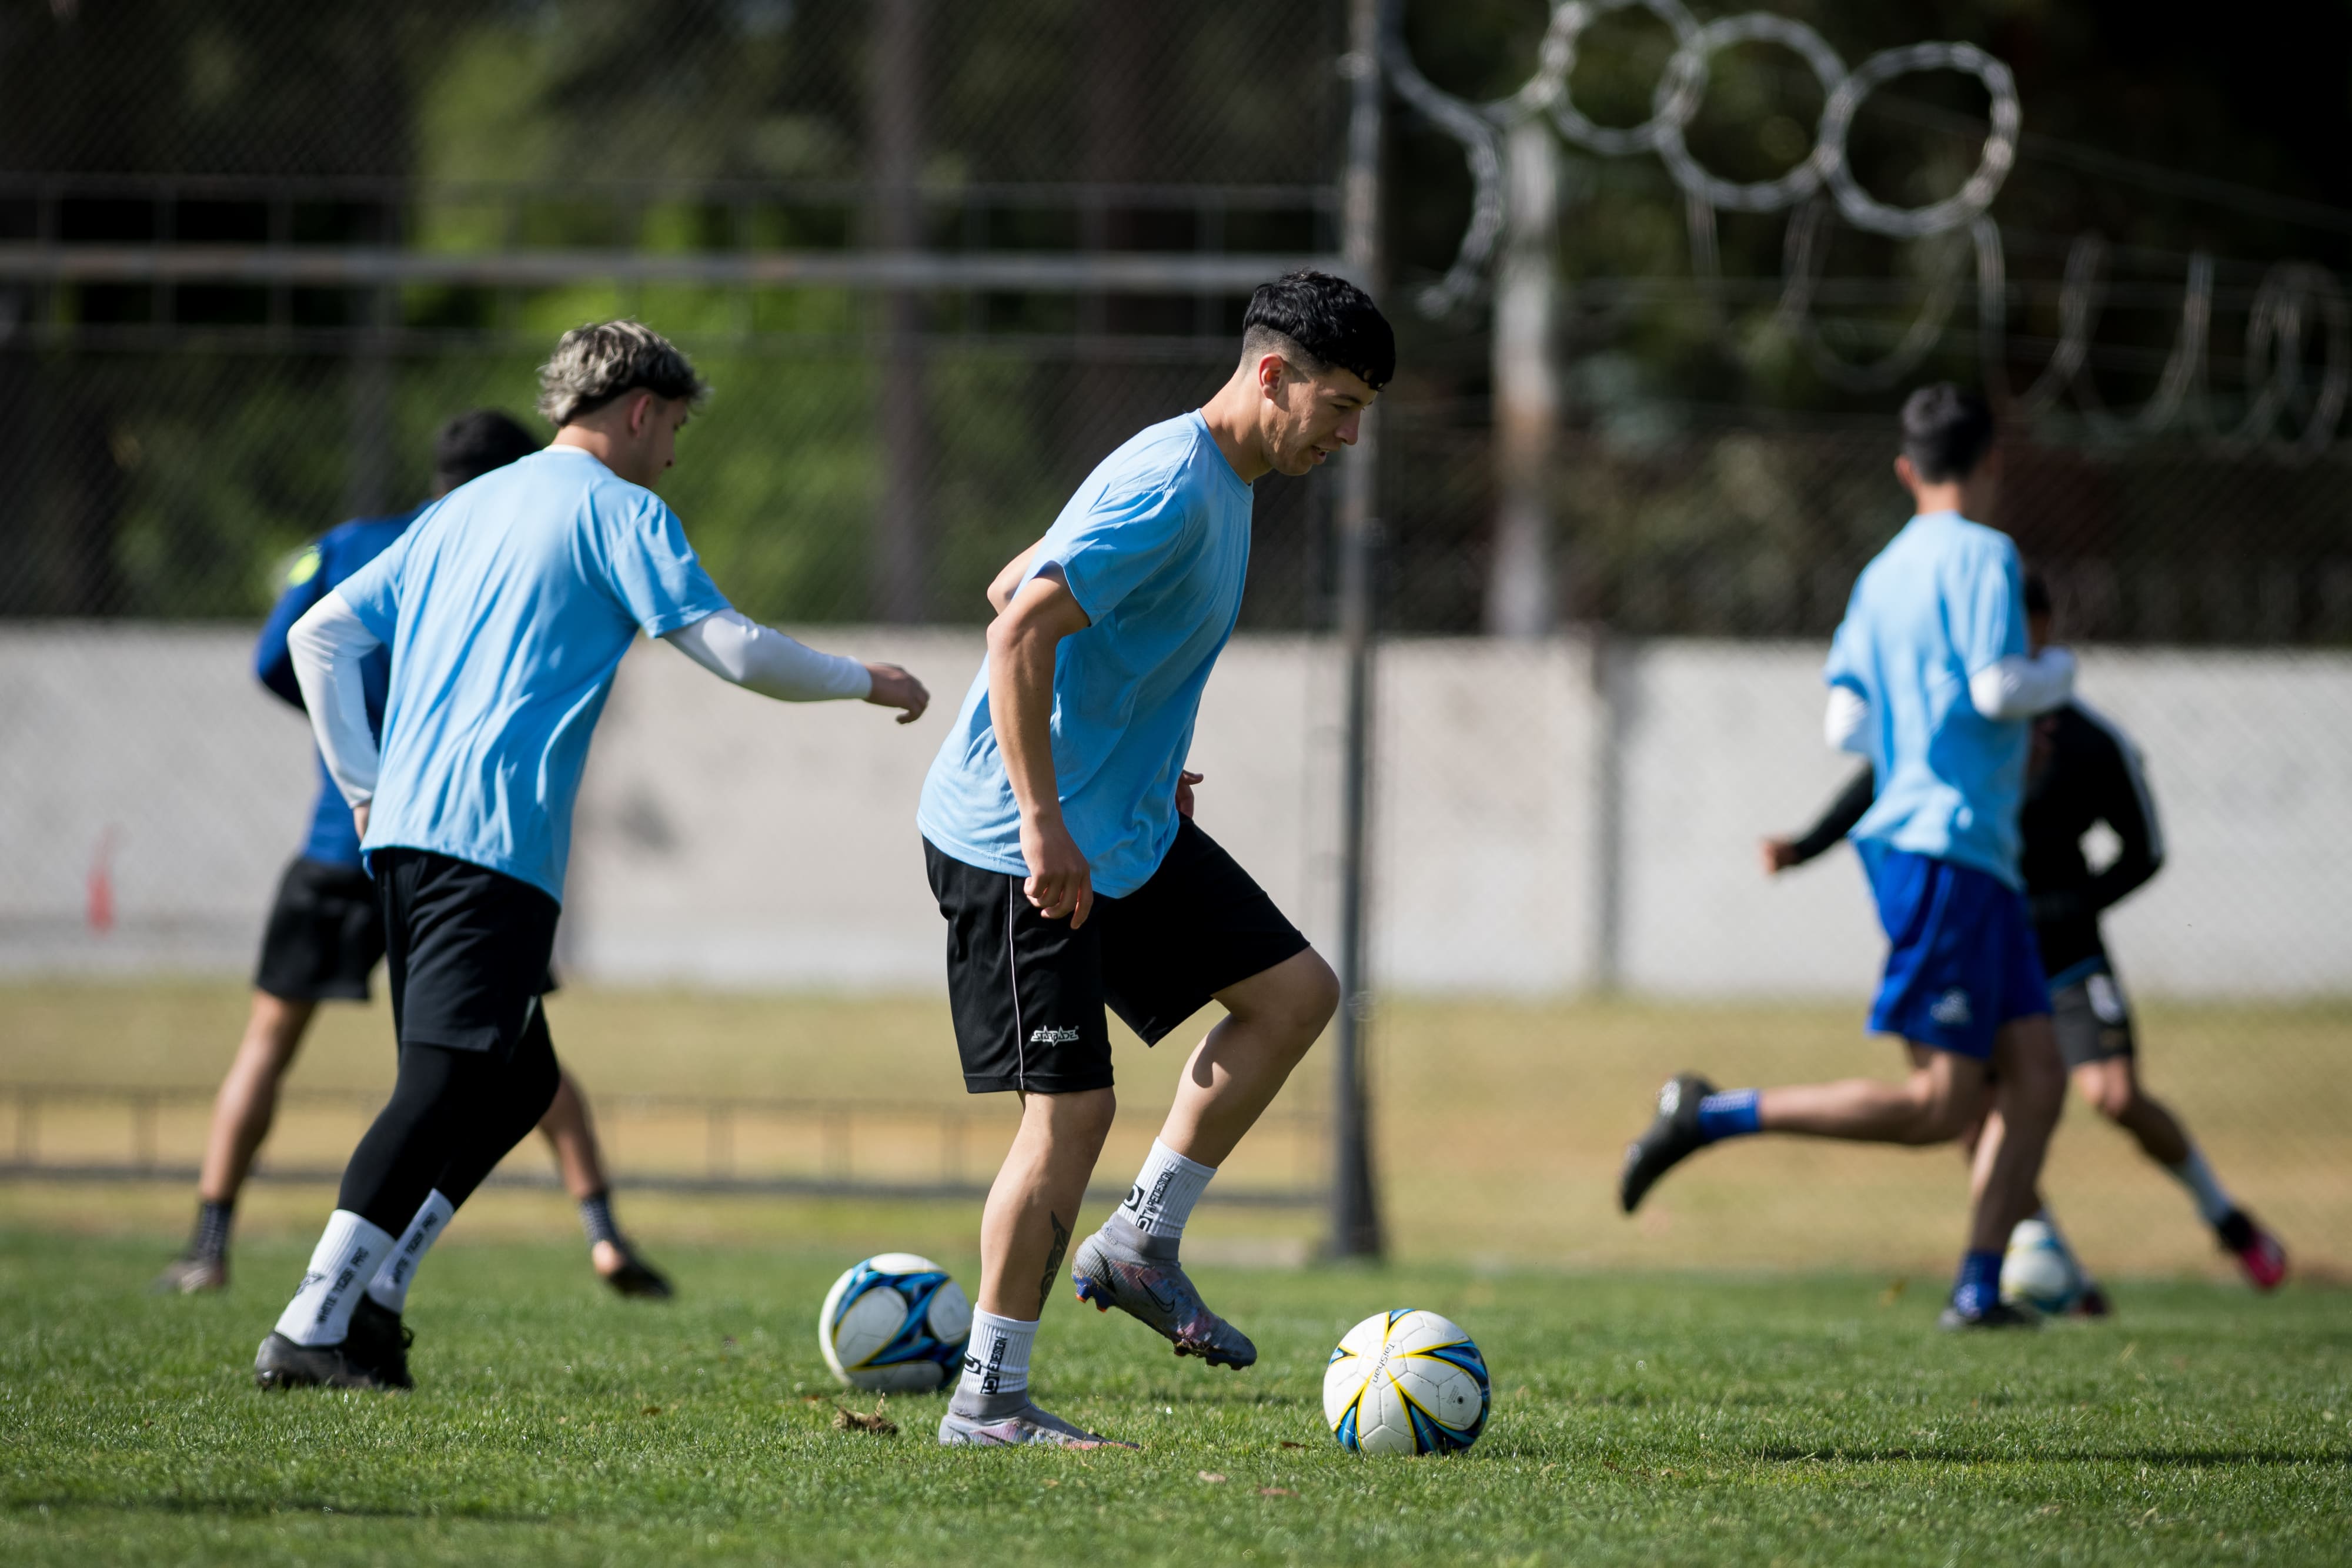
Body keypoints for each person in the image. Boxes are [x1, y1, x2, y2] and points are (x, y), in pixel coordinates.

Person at [252, 321, 930, 1390]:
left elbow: (318, 637)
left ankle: (375, 1302)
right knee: (437, 1085)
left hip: (412, 842)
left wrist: (369, 786)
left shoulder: (461, 509)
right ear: (641, 411)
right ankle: (310, 1323)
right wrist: (866, 679)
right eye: (675, 432)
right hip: (493, 845)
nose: (673, 457)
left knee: (515, 1081)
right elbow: (732, 646)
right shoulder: (622, 510)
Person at [916, 271, 1388, 1446]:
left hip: (1117, 821)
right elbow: (1015, 624)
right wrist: (1042, 817)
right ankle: (988, 1396)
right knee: (1068, 1117)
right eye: (1336, 405)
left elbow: (1015, 575)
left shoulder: (1213, 477)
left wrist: (1134, 748)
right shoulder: (1174, 485)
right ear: (1271, 375)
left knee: (1292, 993)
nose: (1347, 434)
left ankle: (1139, 1240)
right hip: (1021, 843)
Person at [154, 412, 671, 1302]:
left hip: (341, 838)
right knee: (513, 1056)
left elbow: (283, 654)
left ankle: (210, 1242)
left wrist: (352, 743)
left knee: (273, 1043)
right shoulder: (505, 548)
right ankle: (602, 1233)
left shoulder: (359, 544)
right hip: (467, 847)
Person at [1619, 384, 2079, 1330]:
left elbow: (1847, 720)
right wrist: (2059, 674)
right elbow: (1999, 686)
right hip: (1943, 844)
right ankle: (1711, 1115)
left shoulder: (1880, 574)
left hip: (1958, 852)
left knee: (2038, 1077)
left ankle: (1979, 1289)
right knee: (1943, 1106)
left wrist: (1921, 718)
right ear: (1992, 462)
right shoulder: (1991, 556)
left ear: (1907, 470)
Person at [1762, 576, 2288, 1297]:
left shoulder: (2092, 743)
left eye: (2025, 634)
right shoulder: (1963, 725)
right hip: (1981, 939)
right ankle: (2057, 1271)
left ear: (2045, 635)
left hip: (2064, 949)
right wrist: (1803, 846)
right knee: (1968, 1114)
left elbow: (2144, 851)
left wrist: (2079, 908)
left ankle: (2229, 1221)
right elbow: (1884, 779)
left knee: (2113, 1095)